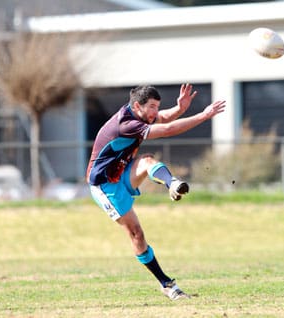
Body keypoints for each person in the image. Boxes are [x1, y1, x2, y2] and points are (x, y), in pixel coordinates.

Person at [86, 84, 226, 300]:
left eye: (156, 106)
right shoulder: (127, 124)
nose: (155, 111)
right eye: (151, 107)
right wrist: (203, 116)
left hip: (122, 172)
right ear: (136, 106)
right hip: (105, 184)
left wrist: (179, 109)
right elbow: (168, 130)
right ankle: (166, 284)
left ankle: (171, 183)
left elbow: (163, 118)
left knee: (147, 161)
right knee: (136, 234)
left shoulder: (139, 115)